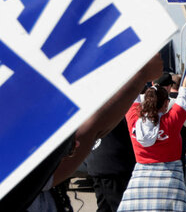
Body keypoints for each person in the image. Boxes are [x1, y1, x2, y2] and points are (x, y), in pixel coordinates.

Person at [0, 55, 164, 212]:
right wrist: (140, 77)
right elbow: (91, 131)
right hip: (111, 167)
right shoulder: (17, 171)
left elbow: (94, 131)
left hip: (102, 166)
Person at [118, 44, 186, 212]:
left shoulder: (133, 118)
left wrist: (134, 58)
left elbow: (130, 88)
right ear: (166, 104)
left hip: (139, 184)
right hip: (171, 184)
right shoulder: (172, 119)